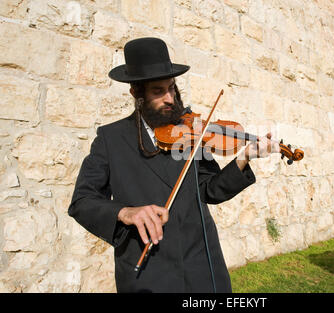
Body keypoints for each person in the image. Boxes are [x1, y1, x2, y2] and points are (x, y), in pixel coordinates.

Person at [68, 37, 279, 293]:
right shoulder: (110, 139)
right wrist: (125, 212)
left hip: (203, 267)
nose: (169, 98)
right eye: (158, 91)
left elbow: (210, 190)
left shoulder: (190, 132)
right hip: (149, 274)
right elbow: (82, 201)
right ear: (136, 93)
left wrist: (244, 158)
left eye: (172, 88)